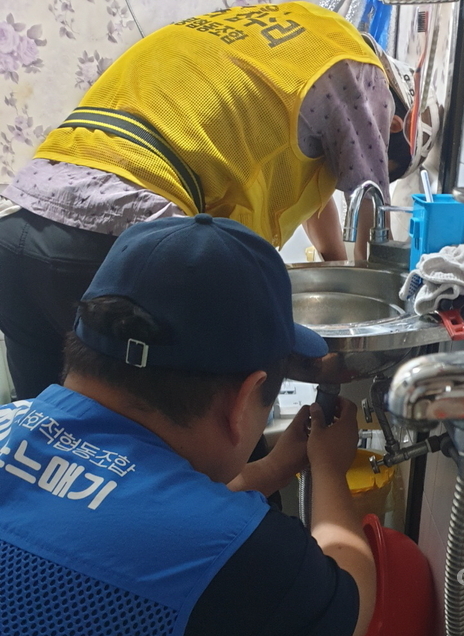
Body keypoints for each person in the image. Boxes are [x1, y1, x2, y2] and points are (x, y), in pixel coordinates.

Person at [0, 0, 439, 400]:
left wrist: (334, 267)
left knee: (40, 442)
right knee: (200, 429)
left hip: (20, 223)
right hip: (115, 241)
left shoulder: (293, 39)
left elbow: (317, 199)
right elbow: (367, 200)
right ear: (395, 124)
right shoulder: (359, 66)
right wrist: (366, 310)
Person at [0, 213, 376, 636]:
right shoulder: (240, 558)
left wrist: (273, 468)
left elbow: (133, 502)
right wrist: (329, 469)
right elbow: (351, 601)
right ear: (244, 400)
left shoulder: (10, 421)